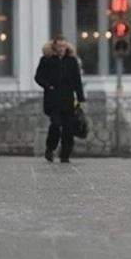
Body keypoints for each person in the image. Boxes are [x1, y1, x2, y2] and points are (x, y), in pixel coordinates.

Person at [34, 35, 86, 163]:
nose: (62, 48)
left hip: (68, 100)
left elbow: (77, 81)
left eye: (64, 46)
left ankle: (65, 155)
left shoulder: (72, 61)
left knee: (68, 129)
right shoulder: (47, 60)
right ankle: (50, 148)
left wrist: (81, 99)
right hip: (53, 101)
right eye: (59, 46)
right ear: (54, 47)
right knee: (56, 125)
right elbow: (38, 77)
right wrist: (48, 86)